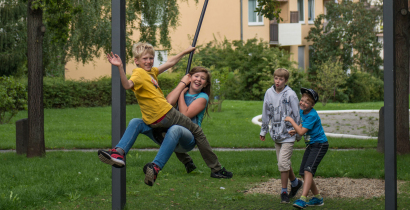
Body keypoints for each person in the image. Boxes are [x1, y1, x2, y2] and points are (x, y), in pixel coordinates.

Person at [98, 42, 232, 186]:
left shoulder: (151, 73)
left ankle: (120, 152)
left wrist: (185, 52)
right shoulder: (138, 73)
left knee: (137, 122)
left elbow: (170, 62)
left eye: (151, 58)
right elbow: (127, 85)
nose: (149, 61)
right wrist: (120, 67)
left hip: (154, 120)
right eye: (145, 59)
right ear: (136, 61)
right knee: (197, 131)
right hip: (165, 113)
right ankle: (216, 169)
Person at [259, 68, 303, 204]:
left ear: (286, 81)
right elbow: (266, 112)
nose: (278, 81)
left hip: (288, 134)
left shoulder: (290, 95)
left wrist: (298, 132)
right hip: (276, 133)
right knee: (283, 163)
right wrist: (263, 130)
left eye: (281, 79)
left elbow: (297, 114)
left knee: (283, 163)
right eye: (276, 78)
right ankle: (295, 183)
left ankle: (284, 191)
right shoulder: (269, 93)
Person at [285, 88, 329, 209]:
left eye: (307, 102)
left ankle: (303, 199)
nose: (303, 103)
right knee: (304, 173)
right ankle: (318, 198)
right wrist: (296, 131)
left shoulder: (312, 115)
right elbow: (301, 126)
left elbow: (302, 130)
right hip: (311, 145)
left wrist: (292, 122)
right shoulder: (303, 112)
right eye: (302, 100)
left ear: (312, 105)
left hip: (320, 145)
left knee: (308, 170)